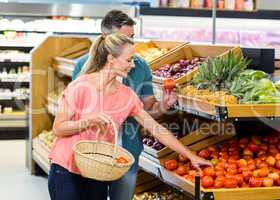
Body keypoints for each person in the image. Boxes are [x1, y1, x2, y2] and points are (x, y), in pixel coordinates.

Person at [48, 33, 211, 200]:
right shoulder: (81, 86)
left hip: (98, 170)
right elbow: (58, 129)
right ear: (111, 58)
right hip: (66, 167)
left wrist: (191, 156)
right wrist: (88, 121)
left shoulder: (127, 96)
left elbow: (157, 129)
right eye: (128, 60)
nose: (132, 65)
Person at [72, 10, 180, 200]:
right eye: (124, 38)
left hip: (127, 153)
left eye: (132, 38)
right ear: (105, 39)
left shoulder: (140, 66)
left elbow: (148, 112)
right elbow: (76, 114)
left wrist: (165, 105)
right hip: (94, 153)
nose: (131, 46)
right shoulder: (83, 65)